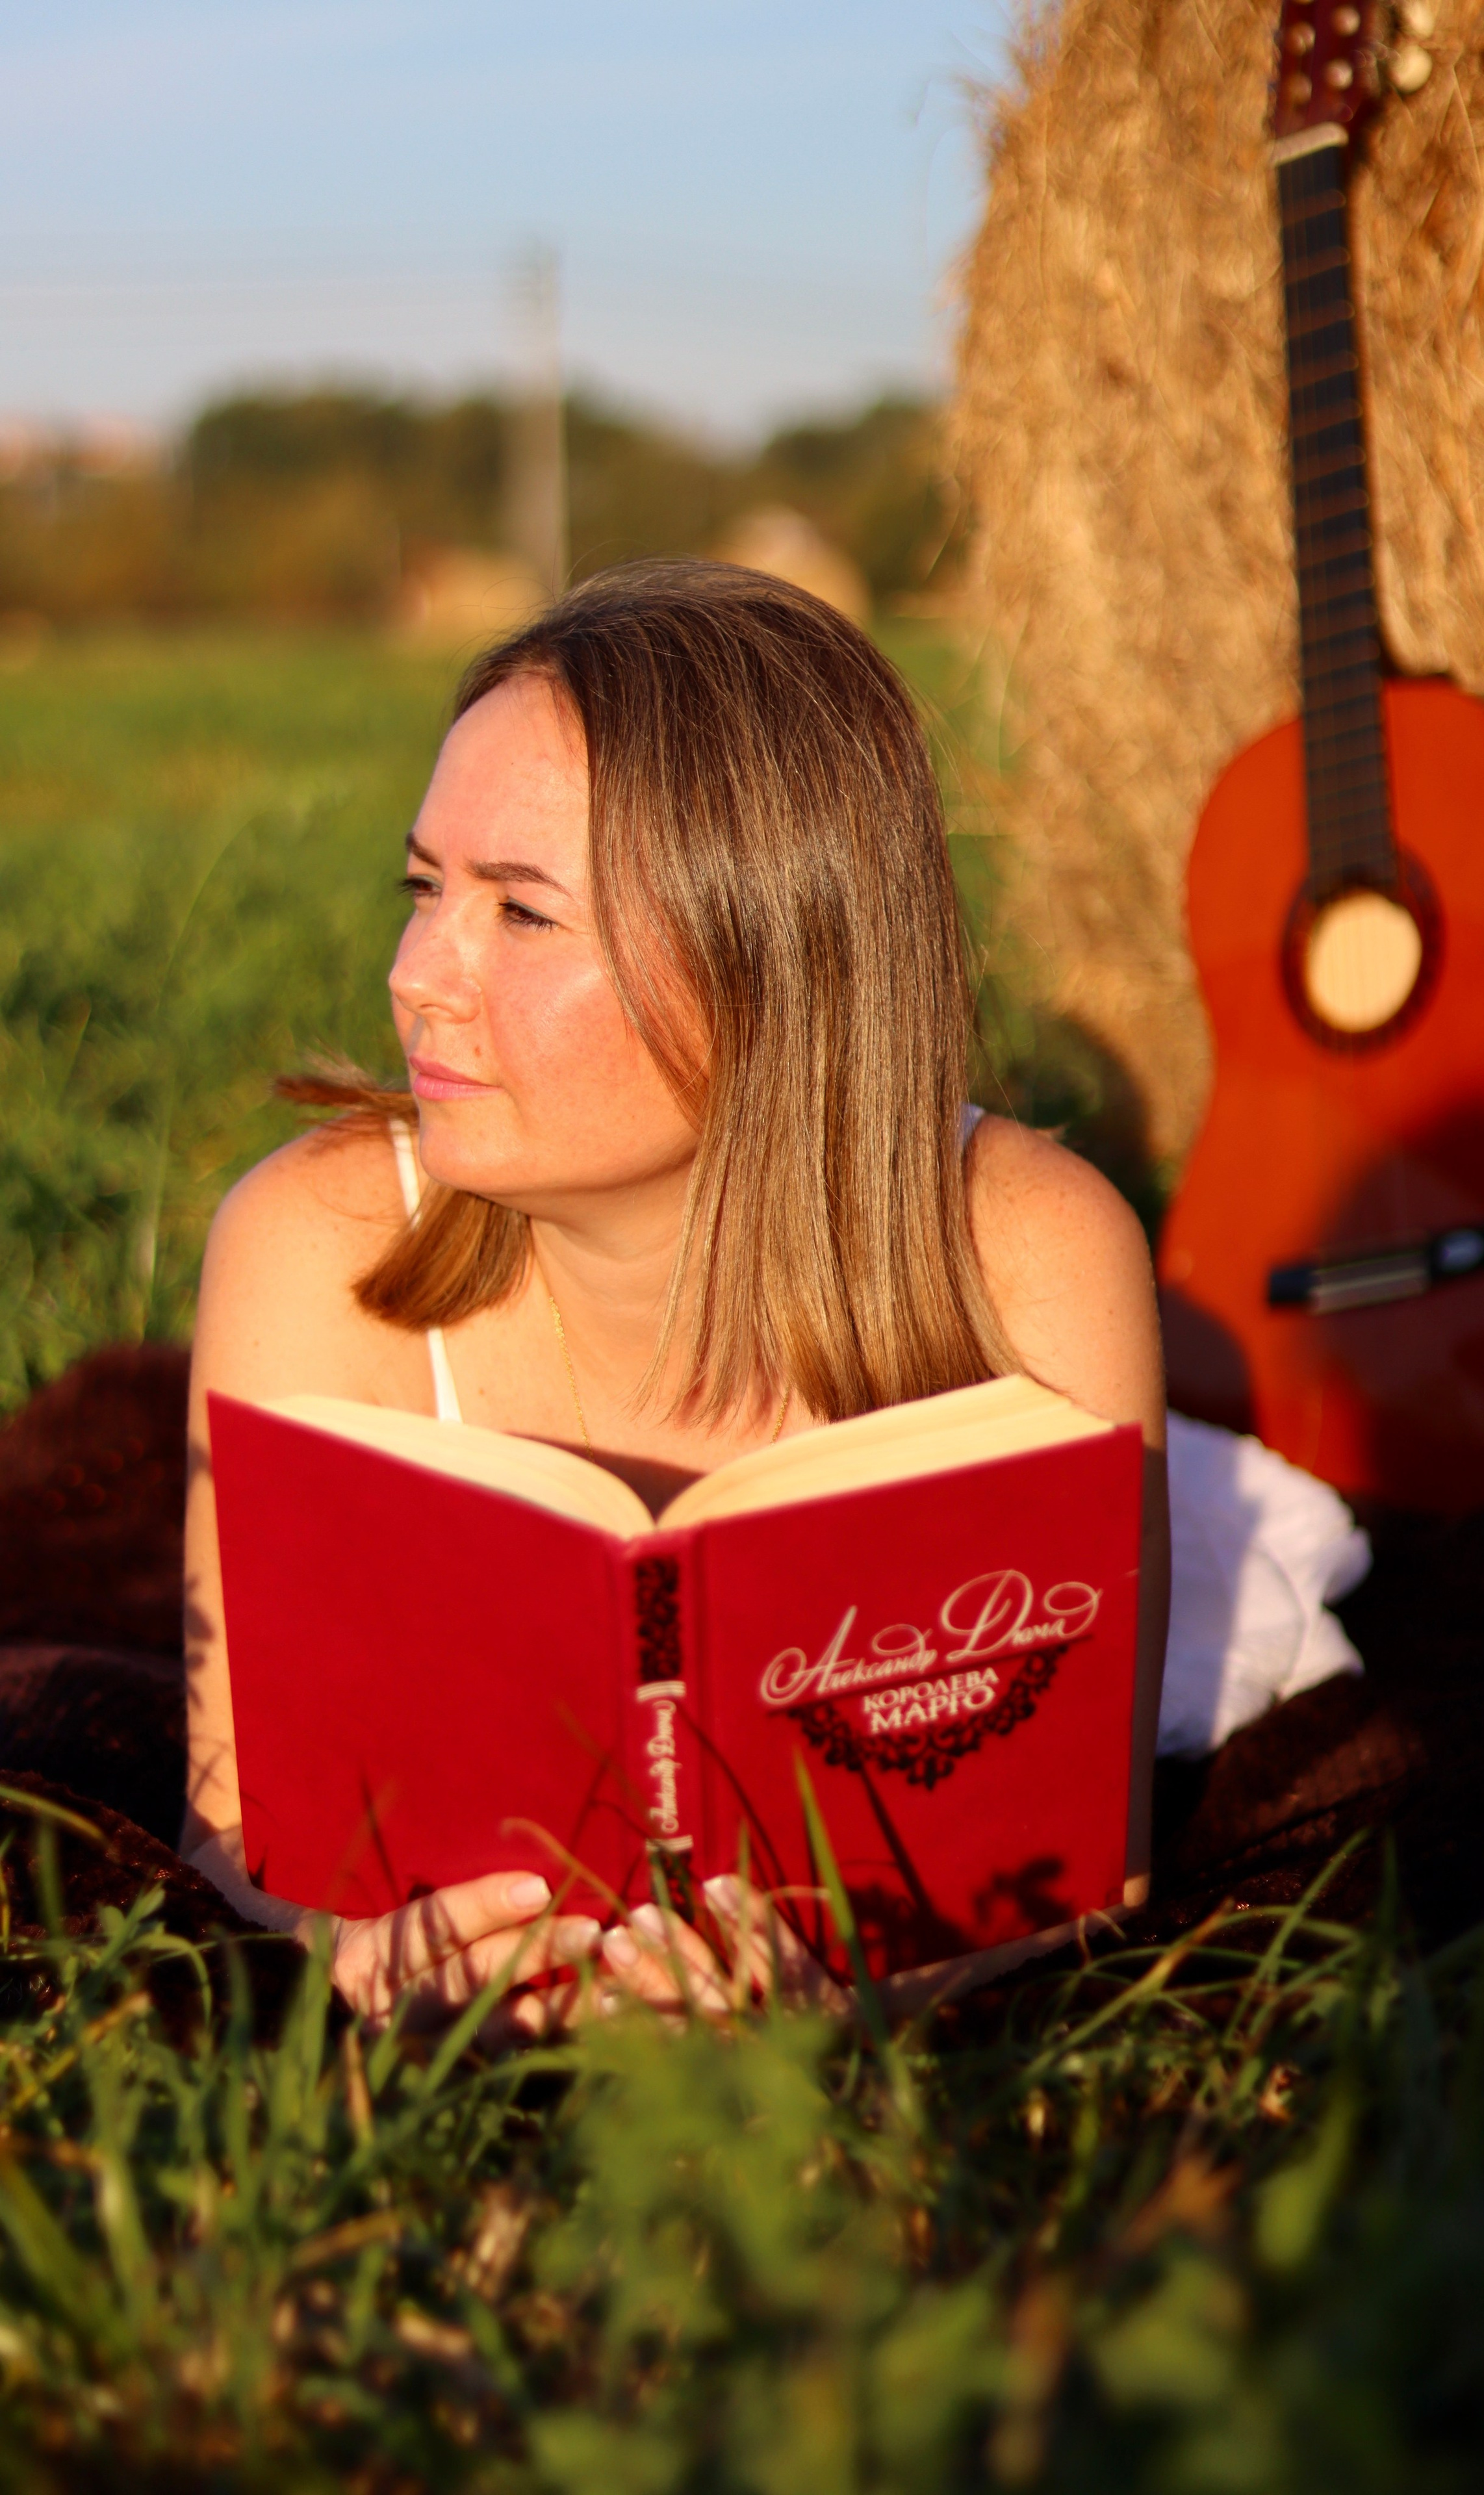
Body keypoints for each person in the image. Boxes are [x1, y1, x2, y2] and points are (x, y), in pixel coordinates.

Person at [181, 560, 1171, 2038]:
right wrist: (354, 1956)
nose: (415, 976)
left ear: (767, 959)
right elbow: (228, 1827)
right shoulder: (313, 1243)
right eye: (425, 888)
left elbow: (1093, 1866)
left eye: (522, 915)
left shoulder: (1032, 1253)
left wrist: (848, 1996)